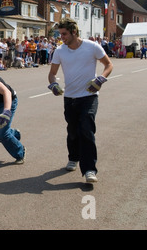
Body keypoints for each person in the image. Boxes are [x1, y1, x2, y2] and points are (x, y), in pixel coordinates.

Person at [47, 18, 113, 183]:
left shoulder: (92, 47)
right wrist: (53, 84)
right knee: (73, 131)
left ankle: (90, 169)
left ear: (73, 32)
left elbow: (109, 65)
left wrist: (100, 80)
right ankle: (73, 157)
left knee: (86, 130)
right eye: (60, 34)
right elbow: (52, 73)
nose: (61, 37)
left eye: (64, 34)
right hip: (70, 98)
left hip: (88, 97)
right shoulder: (60, 51)